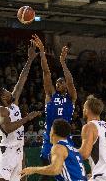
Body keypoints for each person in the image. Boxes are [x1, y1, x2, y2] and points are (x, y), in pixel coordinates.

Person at [0, 39, 41, 181]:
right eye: (7, 91)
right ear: (2, 98)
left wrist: (30, 59)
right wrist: (27, 118)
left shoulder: (14, 104)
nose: (10, 92)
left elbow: (22, 80)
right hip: (7, 151)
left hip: (19, 150)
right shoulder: (0, 110)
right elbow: (7, 128)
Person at [31, 35, 77, 178]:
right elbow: (46, 73)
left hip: (65, 137)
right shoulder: (51, 95)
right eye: (57, 83)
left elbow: (70, 81)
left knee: (64, 170)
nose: (58, 84)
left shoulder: (71, 97)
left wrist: (62, 62)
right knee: (47, 167)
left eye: (61, 82)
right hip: (49, 137)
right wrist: (42, 52)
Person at [21, 119, 87, 180]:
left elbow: (55, 170)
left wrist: (33, 169)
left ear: (53, 132)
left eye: (51, 130)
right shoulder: (73, 149)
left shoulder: (58, 147)